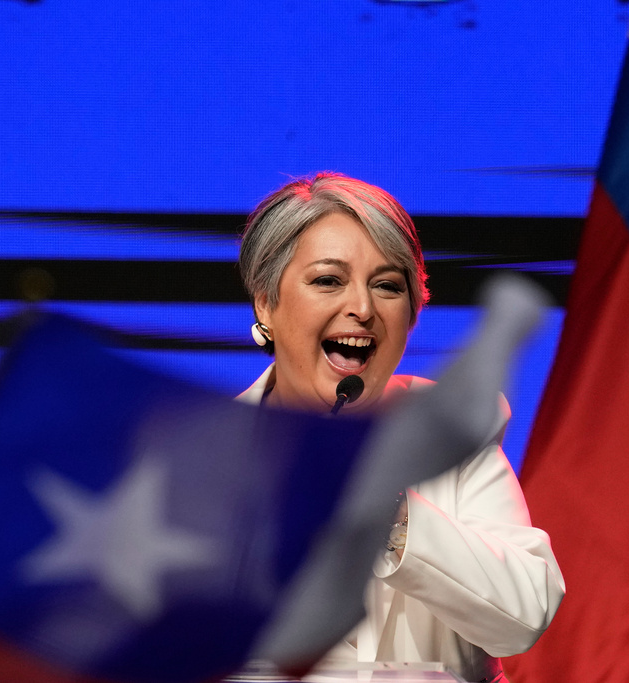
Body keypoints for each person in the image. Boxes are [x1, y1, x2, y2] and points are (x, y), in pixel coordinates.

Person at [237, 173, 564, 683]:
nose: (363, 309)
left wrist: (392, 509)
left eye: (387, 286)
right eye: (328, 280)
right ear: (265, 303)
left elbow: (524, 616)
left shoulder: (454, 432)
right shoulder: (205, 453)